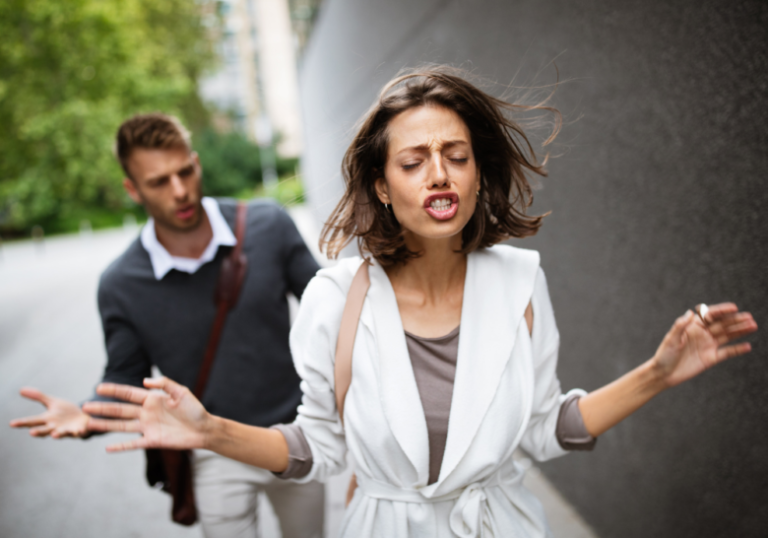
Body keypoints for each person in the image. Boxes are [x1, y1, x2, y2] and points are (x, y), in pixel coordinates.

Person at [78, 70, 757, 537]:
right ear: (381, 185)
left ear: (475, 171)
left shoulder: (522, 283)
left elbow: (548, 429)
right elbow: (318, 448)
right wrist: (210, 432)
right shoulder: (336, 298)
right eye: (414, 160)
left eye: (455, 155)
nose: (439, 173)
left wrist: (659, 372)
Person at [9, 113, 325, 538]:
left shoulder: (268, 225)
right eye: (159, 182)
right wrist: (87, 416)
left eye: (185, 172)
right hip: (211, 447)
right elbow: (125, 377)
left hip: (296, 434)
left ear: (196, 162)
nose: (180, 191)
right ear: (132, 189)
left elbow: (329, 310)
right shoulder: (121, 283)